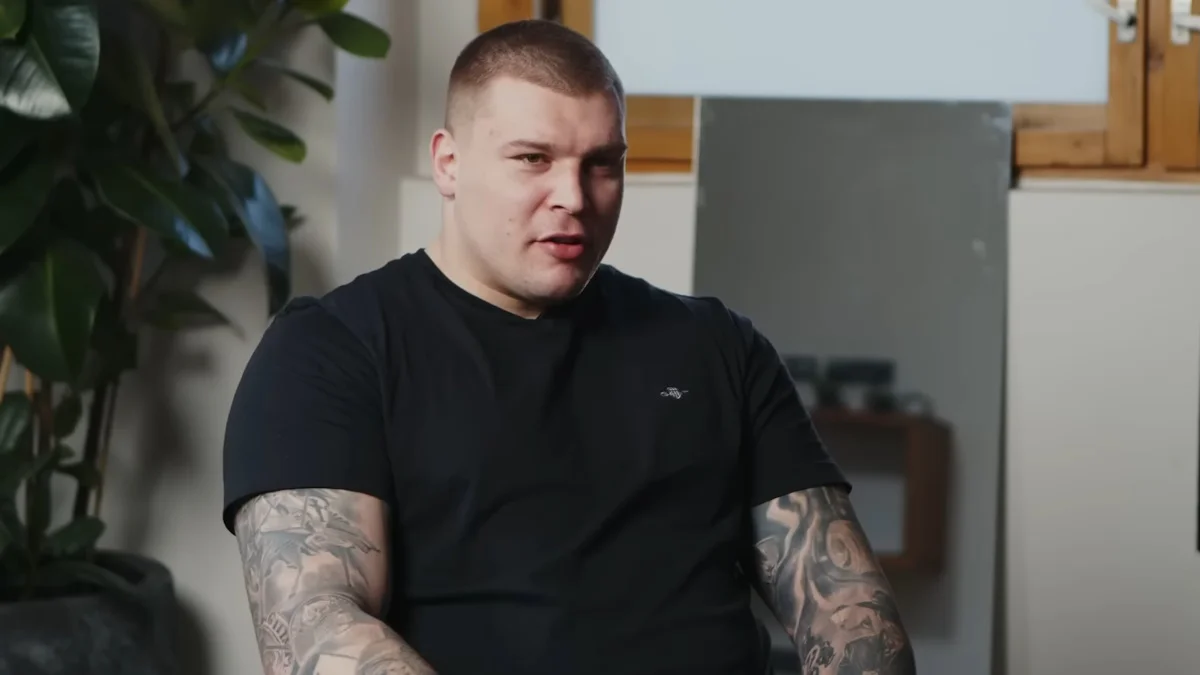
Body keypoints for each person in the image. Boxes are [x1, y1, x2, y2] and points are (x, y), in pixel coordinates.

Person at [222, 18, 916, 675]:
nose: (574, 197)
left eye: (601, 164)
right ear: (449, 163)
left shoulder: (718, 346)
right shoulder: (330, 351)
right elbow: (316, 626)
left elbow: (849, 610)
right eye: (533, 159)